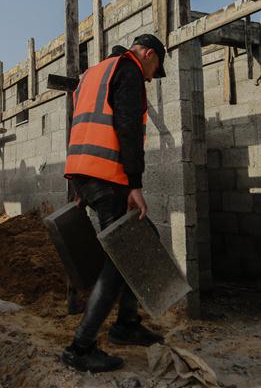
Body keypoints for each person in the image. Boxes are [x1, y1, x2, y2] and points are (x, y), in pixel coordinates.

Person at [60, 34, 167, 373]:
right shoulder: (130, 70)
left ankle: (128, 322)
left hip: (86, 173)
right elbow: (127, 128)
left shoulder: (94, 72)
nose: (151, 76)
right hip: (109, 177)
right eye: (155, 68)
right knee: (121, 258)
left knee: (139, 238)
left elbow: (83, 125)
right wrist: (135, 183)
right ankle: (81, 346)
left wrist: (81, 180)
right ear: (148, 54)